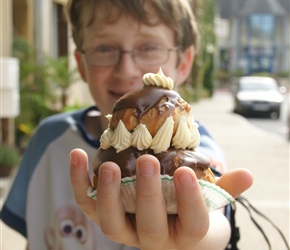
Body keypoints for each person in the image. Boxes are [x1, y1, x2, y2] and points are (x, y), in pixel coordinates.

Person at [1, 0, 253, 249]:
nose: (126, 69)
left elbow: (213, 219)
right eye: (103, 48)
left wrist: (194, 240)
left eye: (149, 47)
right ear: (81, 63)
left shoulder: (195, 151)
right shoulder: (48, 139)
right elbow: (35, 234)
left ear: (184, 62)